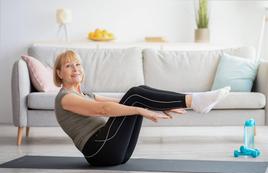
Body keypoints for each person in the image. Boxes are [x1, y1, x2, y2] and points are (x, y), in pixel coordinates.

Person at [53, 50, 230, 166]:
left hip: (114, 151)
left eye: (78, 64)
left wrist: (161, 107)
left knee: (138, 93)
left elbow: (120, 100)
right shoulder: (66, 98)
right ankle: (193, 101)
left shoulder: (85, 95)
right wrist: (139, 110)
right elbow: (104, 109)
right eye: (68, 66)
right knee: (135, 94)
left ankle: (192, 101)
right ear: (60, 73)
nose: (75, 69)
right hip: (100, 152)